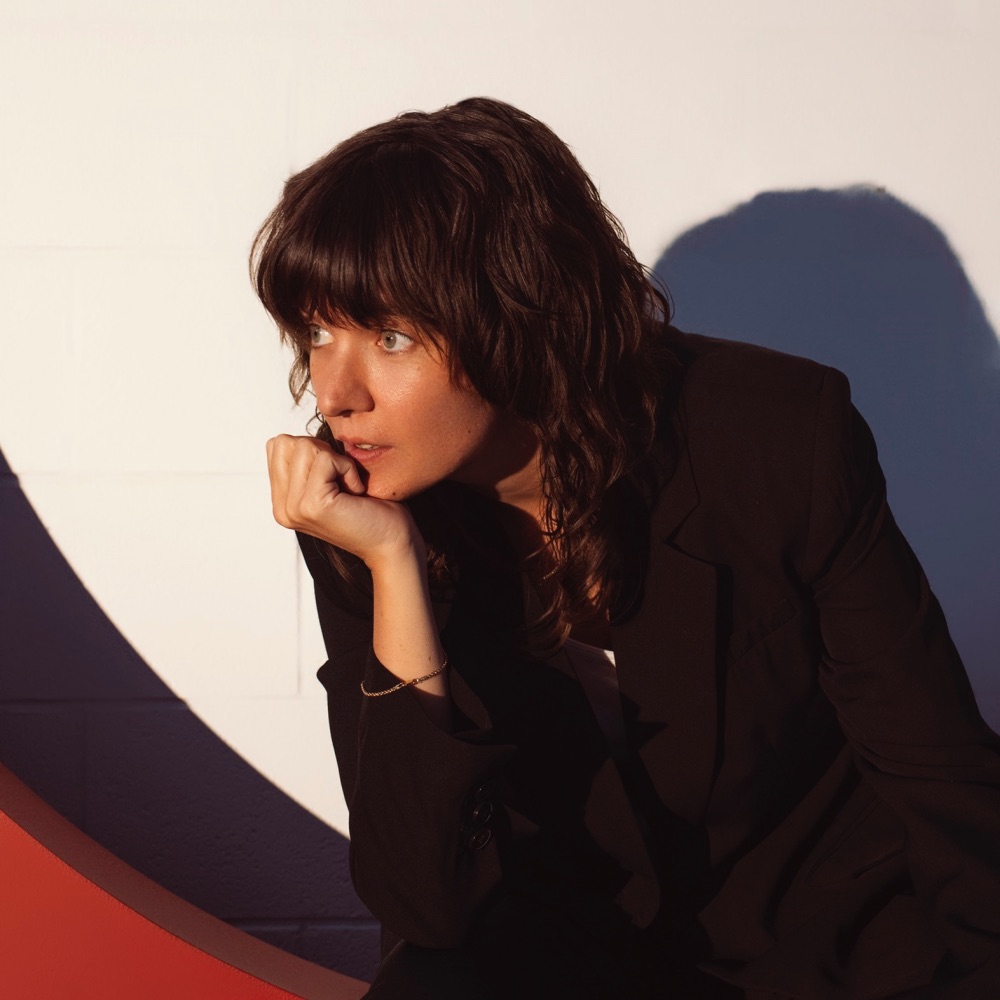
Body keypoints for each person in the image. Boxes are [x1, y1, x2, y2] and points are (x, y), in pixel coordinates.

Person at [252, 98, 1000, 998]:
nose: (336, 394)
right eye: (318, 332)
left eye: (391, 336)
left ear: (515, 311)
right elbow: (424, 902)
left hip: (821, 945)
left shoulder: (772, 437)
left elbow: (936, 770)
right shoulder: (360, 510)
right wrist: (394, 566)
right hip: (581, 953)